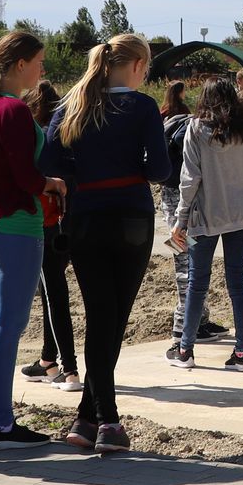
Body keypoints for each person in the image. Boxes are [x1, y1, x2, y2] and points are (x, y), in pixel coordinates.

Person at [40, 33, 169, 454]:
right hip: (132, 217)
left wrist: (81, 173)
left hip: (84, 217)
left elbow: (48, 163)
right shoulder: (143, 107)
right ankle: (107, 420)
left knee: (99, 316)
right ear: (137, 66)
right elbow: (160, 170)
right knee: (113, 321)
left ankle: (87, 417)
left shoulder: (72, 106)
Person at [0, 31, 60, 451]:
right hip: (16, 225)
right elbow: (25, 175)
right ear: (21, 64)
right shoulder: (14, 110)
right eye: (39, 61)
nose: (42, 69)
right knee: (8, 325)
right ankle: (2, 426)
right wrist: (51, 183)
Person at [166, 80, 243, 372]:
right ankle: (242, 353)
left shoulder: (196, 128)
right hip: (242, 214)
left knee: (197, 282)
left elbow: (189, 177)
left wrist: (180, 218)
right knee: (237, 282)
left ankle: (185, 350)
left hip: (205, 216)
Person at [19, 79, 82, 393]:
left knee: (54, 291)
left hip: (46, 222)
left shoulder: (37, 139)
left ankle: (69, 369)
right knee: (51, 289)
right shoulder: (68, 135)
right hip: (72, 219)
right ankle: (48, 360)